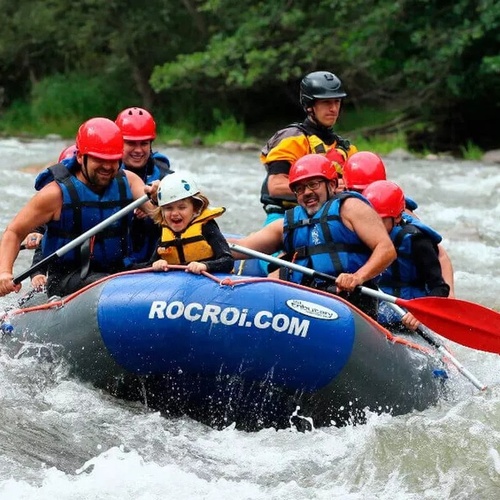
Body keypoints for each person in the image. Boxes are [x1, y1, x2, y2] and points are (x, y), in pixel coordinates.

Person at [0, 117, 157, 299]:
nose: (107, 166)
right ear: (81, 157)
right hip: (68, 279)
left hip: (119, 269)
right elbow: (14, 231)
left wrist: (162, 196)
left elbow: (159, 215)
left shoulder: (129, 182)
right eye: (99, 159)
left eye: (113, 160)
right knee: (108, 283)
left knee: (159, 270)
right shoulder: (55, 194)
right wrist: (5, 272)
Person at [231, 154, 396, 316]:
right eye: (300, 189)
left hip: (350, 304)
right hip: (304, 304)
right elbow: (242, 247)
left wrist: (357, 277)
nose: (307, 192)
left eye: (313, 184)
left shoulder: (351, 208)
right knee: (276, 275)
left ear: (331, 185)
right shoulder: (288, 223)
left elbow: (386, 249)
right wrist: (207, 242)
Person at [343, 150, 456, 297]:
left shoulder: (401, 214)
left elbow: (439, 254)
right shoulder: (344, 206)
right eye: (356, 191)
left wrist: (448, 295)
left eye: (366, 189)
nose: (364, 198)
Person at [259, 70, 358, 226]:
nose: (333, 108)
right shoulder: (291, 140)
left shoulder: (347, 149)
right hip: (285, 216)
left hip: (330, 218)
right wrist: (326, 189)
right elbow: (275, 187)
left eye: (337, 102)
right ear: (310, 106)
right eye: (326, 102)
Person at [362, 180, 450, 330]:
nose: (373, 227)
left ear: (396, 218)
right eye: (370, 221)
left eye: (379, 221)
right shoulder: (362, 234)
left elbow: (441, 288)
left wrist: (421, 312)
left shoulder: (417, 241)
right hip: (376, 316)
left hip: (408, 319)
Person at [115, 107, 174, 263]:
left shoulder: (165, 176)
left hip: (158, 259)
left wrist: (156, 206)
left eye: (144, 143)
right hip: (117, 262)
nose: (138, 150)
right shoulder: (104, 173)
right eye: (131, 143)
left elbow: (188, 212)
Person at [146, 171, 234, 275]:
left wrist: (205, 266)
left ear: (195, 208)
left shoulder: (207, 228)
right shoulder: (165, 234)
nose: (174, 213)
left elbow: (228, 261)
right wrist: (156, 264)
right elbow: (150, 264)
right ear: (162, 211)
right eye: (168, 208)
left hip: (209, 283)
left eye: (182, 207)